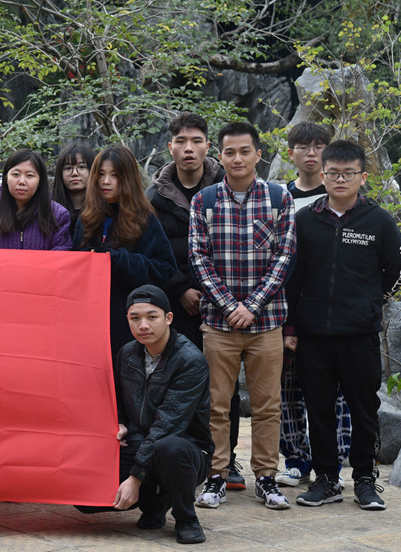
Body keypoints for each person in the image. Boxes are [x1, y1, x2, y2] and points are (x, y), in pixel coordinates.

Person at [287, 141, 401, 510]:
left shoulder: (379, 220)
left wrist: (371, 300)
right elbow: (293, 276)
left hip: (360, 334)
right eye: (334, 173)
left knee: (364, 410)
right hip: (314, 334)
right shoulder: (305, 220)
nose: (341, 180)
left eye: (348, 173)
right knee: (319, 410)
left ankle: (365, 480)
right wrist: (291, 325)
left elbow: (398, 271)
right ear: (322, 176)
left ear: (363, 177)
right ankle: (326, 479)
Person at [189, 122, 296, 511]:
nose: (237, 158)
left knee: (268, 405)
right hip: (218, 324)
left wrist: (252, 305)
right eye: (230, 152)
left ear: (258, 154)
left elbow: (285, 256)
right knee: (216, 405)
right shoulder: (204, 201)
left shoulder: (278, 197)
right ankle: (216, 476)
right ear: (220, 156)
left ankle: (266, 477)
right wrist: (228, 305)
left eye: (244, 151)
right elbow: (198, 258)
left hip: (266, 323)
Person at [145, 113, 246, 490]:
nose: (189, 148)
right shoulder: (155, 197)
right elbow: (153, 251)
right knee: (177, 381)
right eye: (181, 141)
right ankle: (185, 458)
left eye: (197, 141)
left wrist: (219, 294)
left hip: (225, 305)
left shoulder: (228, 187)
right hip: (178, 307)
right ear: (170, 147)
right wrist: (181, 290)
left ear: (208, 146)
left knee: (224, 387)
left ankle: (227, 460)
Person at [84, 285, 213, 544]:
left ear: (168, 318)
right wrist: (120, 424)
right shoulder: (127, 353)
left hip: (185, 448)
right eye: (135, 318)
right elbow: (117, 401)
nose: (143, 325)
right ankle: (155, 503)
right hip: (140, 441)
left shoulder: (190, 360)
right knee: (86, 499)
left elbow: (168, 425)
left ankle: (186, 518)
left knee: (169, 448)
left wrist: (134, 479)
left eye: (152, 317)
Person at [277, 122, 353, 489]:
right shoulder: (279, 197)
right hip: (287, 308)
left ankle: (332, 461)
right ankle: (296, 459)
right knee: (288, 389)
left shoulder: (340, 196)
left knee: (334, 391)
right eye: (303, 146)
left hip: (332, 313)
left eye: (319, 145)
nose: (311, 153)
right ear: (290, 152)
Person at [73, 146, 175, 354]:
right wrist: (86, 260)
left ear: (127, 178)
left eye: (114, 175)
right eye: (101, 174)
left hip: (130, 325)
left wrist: (120, 260)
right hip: (90, 321)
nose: (106, 181)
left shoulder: (144, 219)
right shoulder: (86, 220)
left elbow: (164, 270)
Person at [0, 149, 72, 251]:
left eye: (30, 175)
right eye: (16, 174)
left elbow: (61, 256)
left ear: (40, 181)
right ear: (6, 178)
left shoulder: (58, 216)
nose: (22, 181)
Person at [51, 141, 96, 238]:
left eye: (82, 167)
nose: (75, 173)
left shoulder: (103, 211)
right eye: (68, 168)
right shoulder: (51, 210)